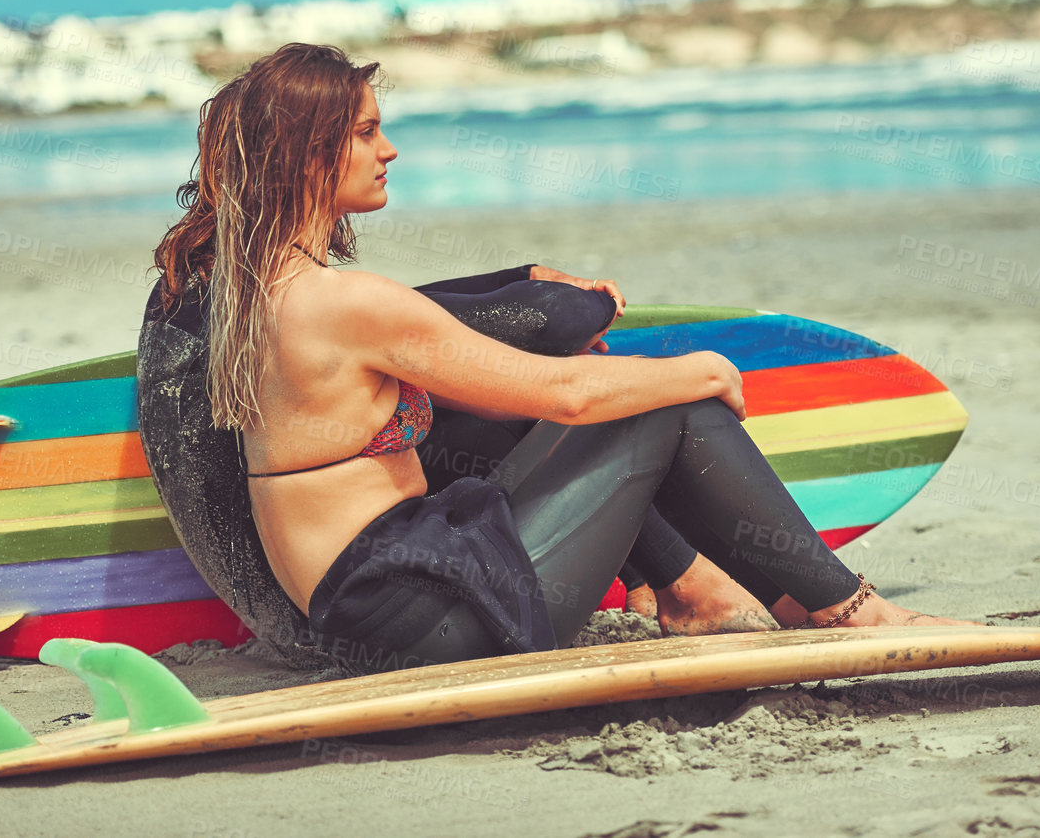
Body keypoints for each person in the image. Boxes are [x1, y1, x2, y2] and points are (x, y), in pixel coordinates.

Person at [147, 43, 969, 674]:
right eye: (365, 133)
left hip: (370, 606)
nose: (388, 149)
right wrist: (703, 371)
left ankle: (707, 593)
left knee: (616, 404)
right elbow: (567, 393)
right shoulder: (347, 301)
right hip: (423, 616)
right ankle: (846, 609)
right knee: (668, 404)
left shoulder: (247, 294)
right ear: (304, 154)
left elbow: (518, 404)